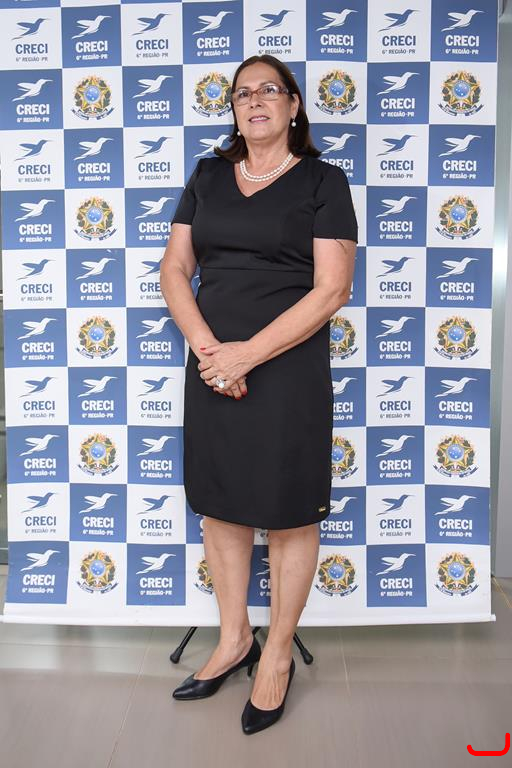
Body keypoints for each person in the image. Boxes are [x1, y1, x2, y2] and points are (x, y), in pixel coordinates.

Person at [160, 54, 358, 735]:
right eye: (242, 93)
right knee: (221, 505)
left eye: (269, 89)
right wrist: (210, 351)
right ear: (234, 110)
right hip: (214, 364)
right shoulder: (208, 176)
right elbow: (175, 268)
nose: (254, 101)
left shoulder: (323, 181)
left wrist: (248, 353)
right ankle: (234, 638)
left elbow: (333, 288)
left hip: (286, 369)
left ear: (294, 105)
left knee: (289, 510)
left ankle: (276, 656)